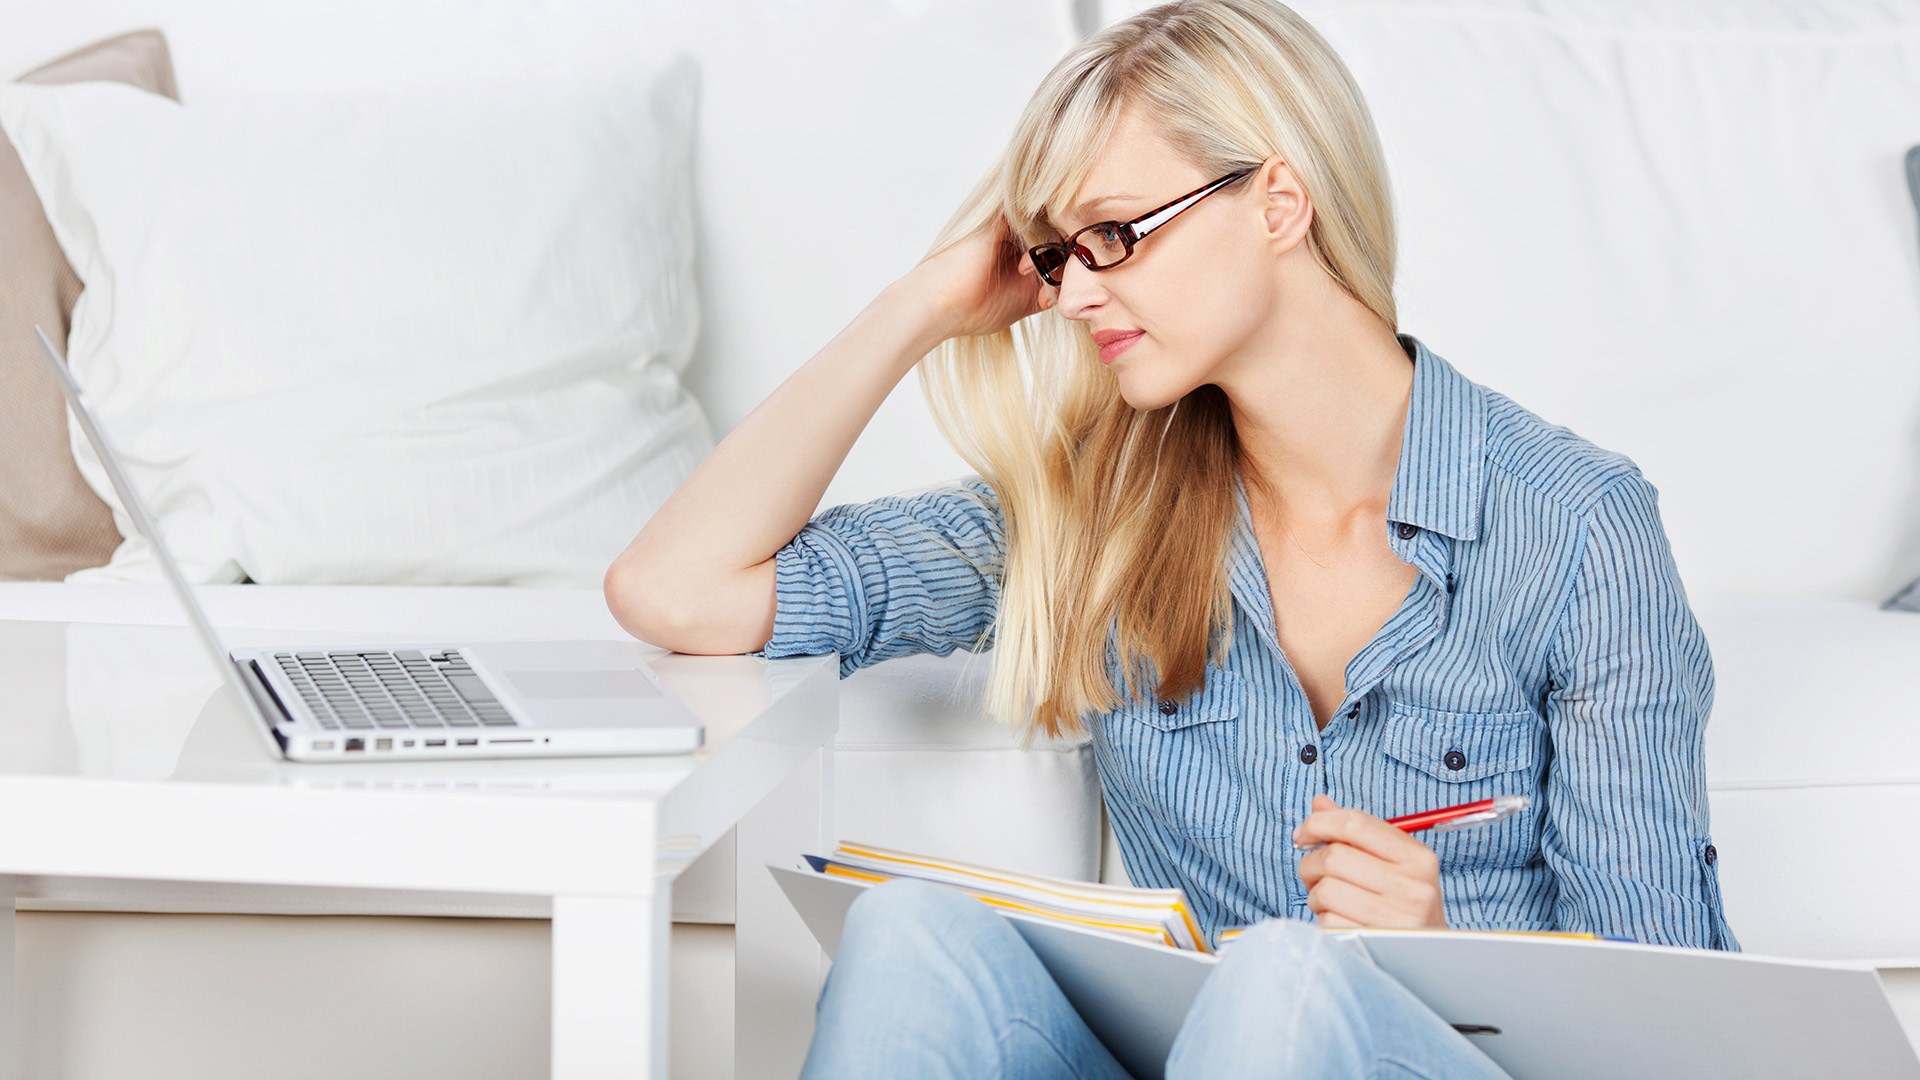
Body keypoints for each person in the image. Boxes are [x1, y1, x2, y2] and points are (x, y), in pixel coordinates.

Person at [603, 0, 1739, 1074]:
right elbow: (678, 589)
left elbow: (1679, 1015)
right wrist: (923, 308)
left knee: (1280, 982)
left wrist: (1445, 945)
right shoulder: (1097, 517)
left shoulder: (1578, 529)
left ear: (1280, 203)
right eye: (1057, 255)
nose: (1072, 295)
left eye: (1114, 235)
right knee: (909, 941)